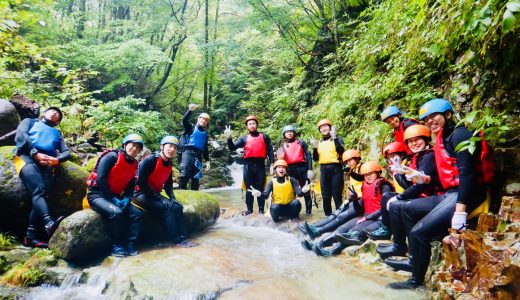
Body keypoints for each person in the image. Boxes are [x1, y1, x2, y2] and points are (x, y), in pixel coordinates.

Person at [388, 99, 491, 289]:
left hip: (468, 195)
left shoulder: (460, 134)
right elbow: (445, 179)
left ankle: (415, 281)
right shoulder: (442, 137)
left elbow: (467, 174)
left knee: (418, 232)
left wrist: (460, 212)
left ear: (448, 115)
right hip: (450, 193)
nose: (430, 121)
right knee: (405, 208)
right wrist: (423, 179)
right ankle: (414, 260)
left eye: (434, 116)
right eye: (426, 119)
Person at [373, 125, 442, 262]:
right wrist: (399, 173)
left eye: (418, 140)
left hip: (432, 197)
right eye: (411, 141)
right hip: (423, 195)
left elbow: (420, 186)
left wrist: (400, 196)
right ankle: (396, 241)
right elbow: (410, 184)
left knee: (396, 204)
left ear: (426, 139)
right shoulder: (418, 157)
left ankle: (404, 249)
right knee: (387, 197)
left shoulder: (428, 157)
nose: (414, 143)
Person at [14, 107, 70, 248]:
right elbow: (21, 135)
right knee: (39, 190)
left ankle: (31, 237)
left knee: (42, 195)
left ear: (57, 122)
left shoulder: (57, 134)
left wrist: (56, 160)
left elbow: (66, 152)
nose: (54, 112)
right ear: (45, 113)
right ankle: (48, 222)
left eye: (58, 114)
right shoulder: (30, 121)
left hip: (46, 164)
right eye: (52, 110)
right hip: (26, 157)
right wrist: (34, 153)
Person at [129, 136, 196, 248]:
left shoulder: (169, 164)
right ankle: (177, 241)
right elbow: (141, 183)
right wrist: (159, 198)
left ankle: (184, 237)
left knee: (177, 206)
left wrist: (173, 198)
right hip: (139, 194)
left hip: (152, 195)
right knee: (167, 208)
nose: (172, 149)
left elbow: (168, 185)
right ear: (162, 147)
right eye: (170, 146)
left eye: (175, 147)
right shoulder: (150, 160)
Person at [86, 133, 143, 257]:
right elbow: (101, 179)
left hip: (116, 196)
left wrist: (128, 198)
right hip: (97, 195)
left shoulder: (134, 163)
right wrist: (112, 199)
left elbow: (131, 183)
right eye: (132, 145)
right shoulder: (112, 156)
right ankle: (116, 245)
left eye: (138, 147)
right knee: (116, 213)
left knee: (137, 214)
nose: (135, 149)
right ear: (125, 144)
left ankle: (130, 244)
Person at [333, 161, 395, 247]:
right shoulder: (365, 185)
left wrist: (367, 218)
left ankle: (333, 250)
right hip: (367, 217)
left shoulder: (384, 186)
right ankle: (321, 244)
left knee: (353, 231)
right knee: (342, 228)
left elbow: (385, 208)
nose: (368, 176)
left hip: (379, 219)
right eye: (366, 174)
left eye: (371, 173)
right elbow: (359, 211)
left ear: (377, 172)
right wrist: (354, 199)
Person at [225, 115, 274, 215]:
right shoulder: (244, 138)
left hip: (260, 166)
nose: (252, 125)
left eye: (253, 123)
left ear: (256, 125)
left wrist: (272, 163)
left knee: (260, 188)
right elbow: (232, 148)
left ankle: (261, 210)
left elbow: (270, 151)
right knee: (249, 189)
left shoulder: (264, 136)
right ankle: (250, 210)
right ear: (247, 126)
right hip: (248, 166)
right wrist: (229, 138)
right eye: (250, 124)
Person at [365, 141, 409, 240]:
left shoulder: (406, 165)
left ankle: (386, 229)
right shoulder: (395, 167)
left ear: (402, 154)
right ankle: (386, 228)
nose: (391, 160)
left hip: (410, 196)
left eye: (393, 156)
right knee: (387, 197)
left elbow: (408, 186)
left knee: (386, 197)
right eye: (388, 158)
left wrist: (398, 171)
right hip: (402, 196)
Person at [311, 119, 345, 216]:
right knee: (325, 196)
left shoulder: (337, 139)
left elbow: (341, 151)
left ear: (330, 128)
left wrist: (334, 138)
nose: (324, 128)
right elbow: (316, 158)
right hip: (324, 170)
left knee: (337, 195)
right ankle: (327, 217)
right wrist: (314, 147)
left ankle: (340, 217)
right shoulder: (319, 142)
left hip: (336, 169)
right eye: (321, 127)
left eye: (326, 126)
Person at [278, 125, 314, 214]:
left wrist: (310, 169)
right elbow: (281, 161)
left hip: (302, 168)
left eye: (291, 131)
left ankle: (308, 211)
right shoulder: (282, 145)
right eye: (287, 132)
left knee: (306, 190)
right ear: (284, 134)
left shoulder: (301, 143)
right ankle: (292, 211)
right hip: (289, 169)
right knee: (291, 190)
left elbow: (308, 156)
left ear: (294, 133)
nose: (289, 133)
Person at [179, 103, 210, 190]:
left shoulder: (205, 134)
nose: (203, 121)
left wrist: (207, 160)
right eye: (202, 119)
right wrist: (190, 111)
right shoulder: (191, 127)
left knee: (196, 178)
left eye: (206, 120)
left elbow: (205, 148)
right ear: (198, 119)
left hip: (198, 156)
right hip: (187, 154)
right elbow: (184, 120)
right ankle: (182, 196)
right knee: (184, 176)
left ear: (207, 123)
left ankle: (195, 199)